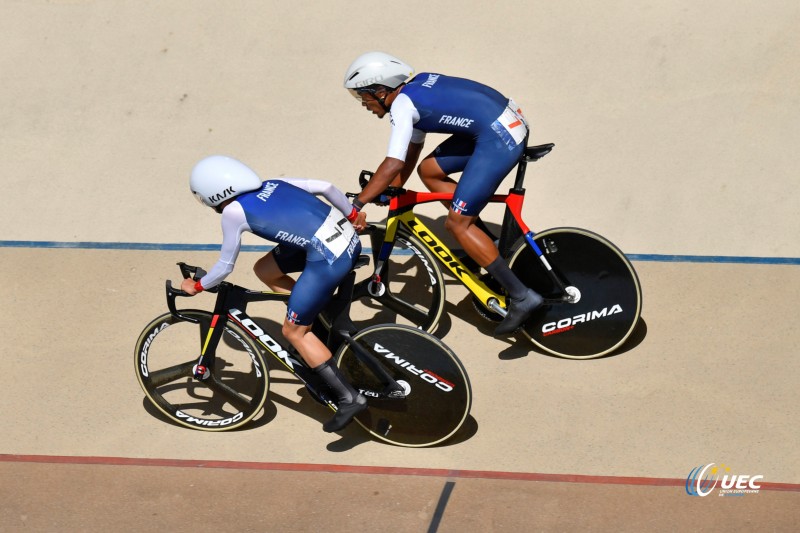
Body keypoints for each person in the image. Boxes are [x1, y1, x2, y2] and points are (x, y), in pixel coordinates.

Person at [342, 51, 542, 336]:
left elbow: (393, 162)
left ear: (382, 91)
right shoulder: (416, 87)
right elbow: (411, 153)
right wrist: (390, 187)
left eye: (364, 96)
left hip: (498, 136)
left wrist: (358, 202)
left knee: (457, 223)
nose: (363, 104)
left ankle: (522, 297)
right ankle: (483, 239)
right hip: (503, 122)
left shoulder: (401, 106)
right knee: (430, 171)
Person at [182, 154, 368, 432]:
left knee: (293, 332)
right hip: (348, 240)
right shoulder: (274, 183)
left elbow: (224, 267)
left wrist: (196, 286)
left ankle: (349, 397)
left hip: (328, 257)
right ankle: (314, 312)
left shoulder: (234, 211)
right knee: (265, 269)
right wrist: (353, 214)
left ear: (213, 193)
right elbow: (327, 187)